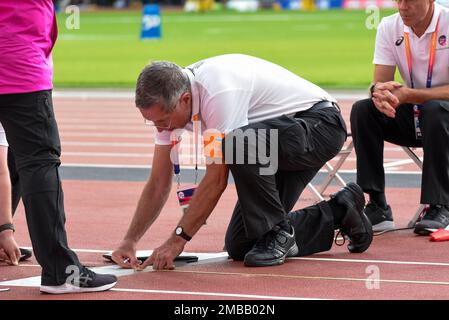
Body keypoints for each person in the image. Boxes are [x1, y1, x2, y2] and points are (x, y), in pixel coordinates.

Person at [112, 54, 373, 270]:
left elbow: (216, 180)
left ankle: (279, 232)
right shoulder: (169, 108)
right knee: (242, 245)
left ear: (185, 100)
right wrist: (129, 241)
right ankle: (340, 210)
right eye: (153, 122)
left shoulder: (217, 91)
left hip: (319, 126)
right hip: (273, 146)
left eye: (163, 121)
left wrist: (177, 240)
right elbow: (158, 182)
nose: (161, 127)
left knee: (237, 143)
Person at [0, 0, 117, 293]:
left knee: (22, 159)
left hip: (16, 55)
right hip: (17, 64)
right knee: (39, 162)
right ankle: (60, 271)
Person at [350, 0, 449, 235]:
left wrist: (410, 95)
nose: (403, 6)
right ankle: (377, 205)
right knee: (363, 110)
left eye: (411, 1)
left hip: (442, 117)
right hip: (413, 113)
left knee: (434, 109)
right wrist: (379, 93)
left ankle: (440, 205)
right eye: (398, 0)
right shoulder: (388, 26)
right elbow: (380, 82)